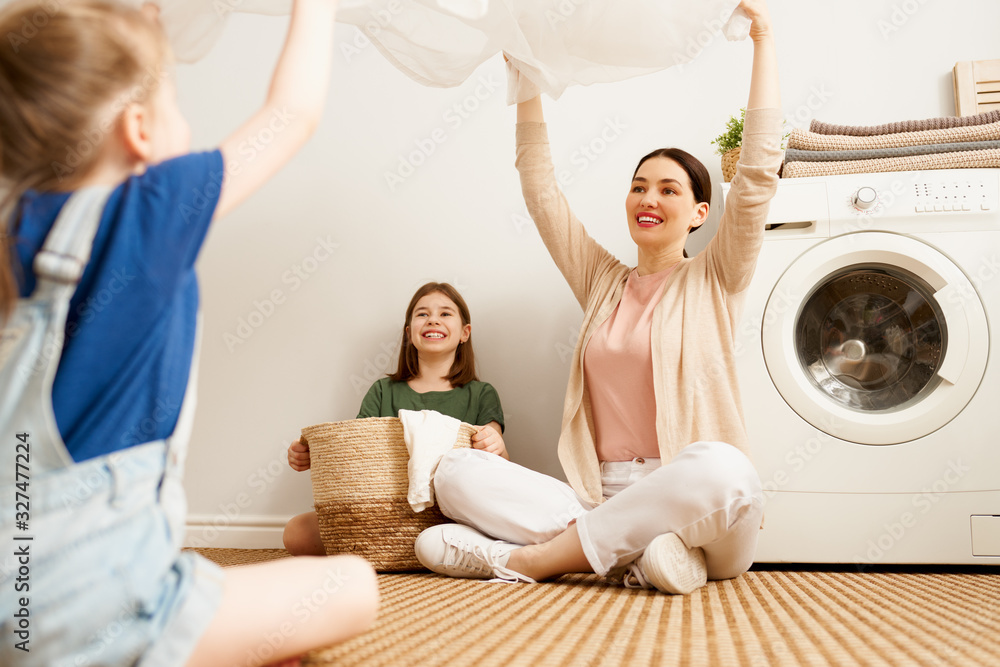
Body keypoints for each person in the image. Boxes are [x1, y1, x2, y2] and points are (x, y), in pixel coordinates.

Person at [0, 1, 377, 666]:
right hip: (105, 617)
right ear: (138, 130)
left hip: (14, 607)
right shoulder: (153, 208)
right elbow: (291, 114)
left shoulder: (13, 233)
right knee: (352, 584)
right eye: (176, 101)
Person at [413, 0, 782, 595]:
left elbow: (759, 174)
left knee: (725, 467)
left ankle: (537, 561)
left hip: (696, 501)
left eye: (668, 189)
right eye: (639, 186)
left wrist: (764, 37)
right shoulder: (602, 280)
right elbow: (540, 188)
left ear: (700, 213)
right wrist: (527, 74)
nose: (648, 198)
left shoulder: (715, 278)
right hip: (600, 494)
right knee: (455, 472)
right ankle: (636, 555)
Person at [283, 282, 507, 556]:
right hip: (384, 514)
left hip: (452, 515)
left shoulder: (481, 393)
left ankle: (421, 549)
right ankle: (424, 551)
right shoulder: (382, 391)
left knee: (497, 525)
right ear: (409, 333)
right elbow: (355, 453)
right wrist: (310, 454)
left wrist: (496, 445)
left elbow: (498, 464)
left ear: (465, 333)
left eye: (445, 314)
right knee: (296, 533)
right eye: (422, 314)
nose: (433, 319)